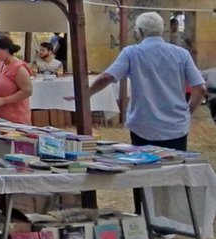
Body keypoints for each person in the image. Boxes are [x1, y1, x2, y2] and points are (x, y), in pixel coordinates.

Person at [86, 11, 204, 151]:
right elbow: (200, 88)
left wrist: (87, 94)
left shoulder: (131, 53)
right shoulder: (182, 54)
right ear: (161, 29)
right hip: (175, 127)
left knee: (144, 163)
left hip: (143, 126)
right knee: (174, 163)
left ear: (140, 32)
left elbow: (107, 77)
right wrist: (187, 111)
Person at [0, 34, 32, 124]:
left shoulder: (19, 68)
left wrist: (4, 100)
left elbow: (27, 91)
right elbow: (0, 86)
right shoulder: (0, 64)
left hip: (14, 118)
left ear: (6, 49)